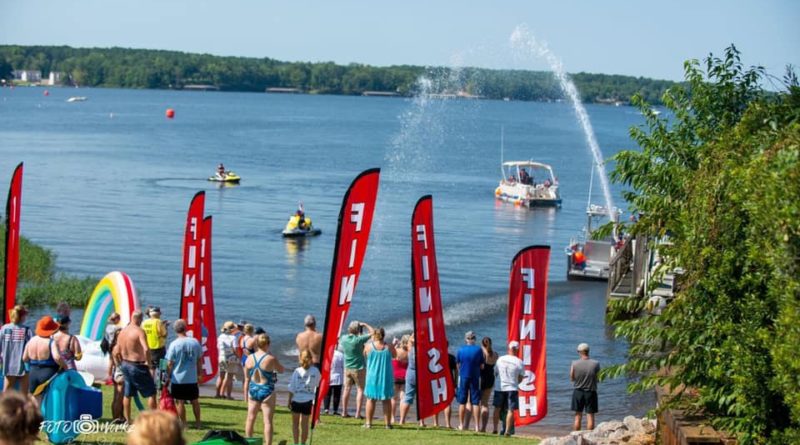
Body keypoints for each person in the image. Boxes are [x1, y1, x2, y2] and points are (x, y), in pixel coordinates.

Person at [115, 310, 157, 422]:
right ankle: (153, 419)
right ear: (139, 319)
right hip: (137, 365)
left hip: (125, 364)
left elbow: (116, 351)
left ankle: (128, 420)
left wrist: (119, 363)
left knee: (128, 393)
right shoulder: (139, 331)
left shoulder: (122, 332)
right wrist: (148, 363)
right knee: (151, 393)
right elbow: (146, 349)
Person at [244, 333, 284, 445]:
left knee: (250, 418)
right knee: (267, 422)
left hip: (253, 389)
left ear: (257, 344)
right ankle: (268, 444)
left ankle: (248, 441)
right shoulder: (270, 358)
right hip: (267, 390)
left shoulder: (249, 358)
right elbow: (281, 370)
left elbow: (247, 376)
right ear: (268, 344)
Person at [165, 319, 202, 429]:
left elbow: (170, 363)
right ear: (186, 328)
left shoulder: (174, 344)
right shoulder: (195, 342)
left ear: (175, 330)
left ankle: (184, 424)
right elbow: (199, 360)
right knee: (195, 400)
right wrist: (200, 374)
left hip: (178, 378)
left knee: (179, 401)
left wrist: (167, 375)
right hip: (192, 378)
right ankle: (198, 423)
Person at [340, 320, 374, 419]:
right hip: (358, 368)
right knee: (360, 390)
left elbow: (347, 337)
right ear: (357, 330)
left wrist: (357, 330)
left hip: (347, 367)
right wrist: (366, 324)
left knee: (346, 389)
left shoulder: (344, 338)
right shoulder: (358, 340)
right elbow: (373, 333)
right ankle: (357, 413)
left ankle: (344, 412)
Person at [363, 327, 396, 429]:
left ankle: (368, 423)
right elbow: (394, 356)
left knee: (370, 399)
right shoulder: (389, 346)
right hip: (385, 377)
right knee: (386, 400)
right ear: (384, 335)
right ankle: (387, 424)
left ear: (374, 336)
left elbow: (364, 355)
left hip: (372, 377)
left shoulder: (368, 347)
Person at [288, 349, 321, 445]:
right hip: (308, 400)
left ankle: (295, 443)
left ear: (300, 359)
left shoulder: (297, 371)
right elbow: (318, 384)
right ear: (311, 359)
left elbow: (292, 387)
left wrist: (289, 400)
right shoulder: (315, 371)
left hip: (296, 400)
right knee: (305, 424)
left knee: (295, 424)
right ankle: (302, 443)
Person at [22, 315, 60, 397]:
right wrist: (64, 365)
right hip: (48, 373)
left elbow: (24, 358)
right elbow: (57, 357)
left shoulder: (31, 340)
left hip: (33, 373)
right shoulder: (52, 342)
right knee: (48, 399)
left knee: (34, 398)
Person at [493, 341, 524, 435]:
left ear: (509, 348)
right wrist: (514, 382)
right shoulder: (519, 362)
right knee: (510, 410)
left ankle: (495, 429)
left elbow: (495, 373)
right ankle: (507, 431)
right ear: (518, 350)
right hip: (512, 388)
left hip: (499, 387)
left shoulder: (500, 359)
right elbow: (520, 378)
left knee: (497, 408)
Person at [456, 330, 484, 432]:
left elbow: (458, 365)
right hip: (475, 377)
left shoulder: (460, 350)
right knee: (476, 402)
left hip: (463, 376)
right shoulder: (479, 350)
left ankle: (461, 425)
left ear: (465, 339)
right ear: (474, 339)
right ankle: (477, 426)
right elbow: (482, 365)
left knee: (462, 402)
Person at [0, 305, 32, 394]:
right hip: (23, 366)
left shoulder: (4, 328)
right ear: (22, 317)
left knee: (6, 392)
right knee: (24, 394)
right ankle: (21, 408)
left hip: (8, 365)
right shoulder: (27, 330)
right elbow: (31, 348)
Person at [571, 342, 600, 431]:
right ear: (588, 351)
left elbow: (572, 378)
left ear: (579, 352)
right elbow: (598, 378)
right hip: (591, 392)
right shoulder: (596, 363)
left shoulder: (574, 363)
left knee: (578, 416)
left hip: (578, 392)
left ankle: (576, 436)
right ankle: (589, 437)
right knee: (590, 416)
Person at [216, 321, 241, 399]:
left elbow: (218, 347)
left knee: (221, 376)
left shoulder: (220, 337)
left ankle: (218, 394)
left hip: (222, 357)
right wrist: (238, 357)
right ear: (232, 329)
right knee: (230, 376)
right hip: (231, 358)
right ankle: (228, 395)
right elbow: (235, 349)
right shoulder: (233, 338)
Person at [479, 336, 499, 432]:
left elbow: (483, 362)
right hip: (491, 378)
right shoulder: (495, 354)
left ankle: (478, 426)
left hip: (481, 379)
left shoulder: (483, 354)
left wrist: (482, 347)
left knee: (476, 403)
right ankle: (484, 427)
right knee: (485, 403)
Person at [398, 334, 419, 426]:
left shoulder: (411, 349)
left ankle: (402, 420)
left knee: (408, 397)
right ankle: (422, 421)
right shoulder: (422, 350)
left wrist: (414, 333)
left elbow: (410, 340)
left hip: (410, 373)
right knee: (421, 398)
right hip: (419, 374)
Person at [141, 307, 167, 374]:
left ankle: (151, 382)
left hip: (148, 348)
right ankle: (161, 383)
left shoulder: (144, 322)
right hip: (159, 348)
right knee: (163, 366)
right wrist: (165, 327)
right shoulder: (158, 322)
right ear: (158, 314)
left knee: (151, 367)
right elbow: (164, 334)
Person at [107, 327, 125, 422]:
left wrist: (109, 374)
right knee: (119, 398)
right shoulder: (119, 347)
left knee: (116, 397)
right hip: (121, 373)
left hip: (115, 373)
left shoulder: (113, 346)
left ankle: (119, 416)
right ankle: (116, 418)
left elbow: (110, 363)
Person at [390, 334, 409, 422]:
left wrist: (394, 345)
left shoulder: (396, 351)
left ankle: (392, 418)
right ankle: (402, 419)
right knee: (403, 399)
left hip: (394, 376)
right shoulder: (409, 353)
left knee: (394, 398)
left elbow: (388, 352)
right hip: (405, 377)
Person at [323, 342, 344, 415]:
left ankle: (326, 409)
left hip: (328, 376)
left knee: (327, 394)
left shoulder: (326, 353)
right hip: (338, 376)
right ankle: (335, 410)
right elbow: (343, 366)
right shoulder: (340, 355)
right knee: (336, 394)